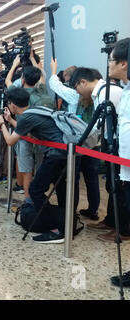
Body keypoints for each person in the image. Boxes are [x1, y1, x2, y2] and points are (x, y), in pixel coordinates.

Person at [0, 87, 80, 244]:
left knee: (35, 190)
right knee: (61, 189)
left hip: (56, 155)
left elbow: (10, 140)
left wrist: (1, 124)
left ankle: (55, 226)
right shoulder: (34, 111)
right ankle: (65, 223)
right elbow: (25, 131)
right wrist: (10, 120)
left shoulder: (27, 117)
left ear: (12, 104)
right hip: (67, 153)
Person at [69, 67, 124, 235]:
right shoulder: (102, 92)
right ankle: (110, 221)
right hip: (112, 144)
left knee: (119, 186)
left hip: (119, 145)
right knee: (111, 185)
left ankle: (122, 228)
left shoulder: (107, 93)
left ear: (83, 82)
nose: (78, 93)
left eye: (76, 88)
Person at [5, 54, 54, 203]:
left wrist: (14, 65)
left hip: (23, 135)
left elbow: (7, 81)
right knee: (39, 167)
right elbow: (42, 78)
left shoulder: (19, 94)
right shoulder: (42, 90)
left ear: (23, 80)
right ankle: (38, 196)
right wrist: (33, 59)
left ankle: (28, 200)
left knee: (26, 170)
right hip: (40, 137)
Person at [107, 37, 130, 287]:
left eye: (112, 59)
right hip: (126, 167)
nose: (109, 63)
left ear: (124, 63)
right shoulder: (126, 90)